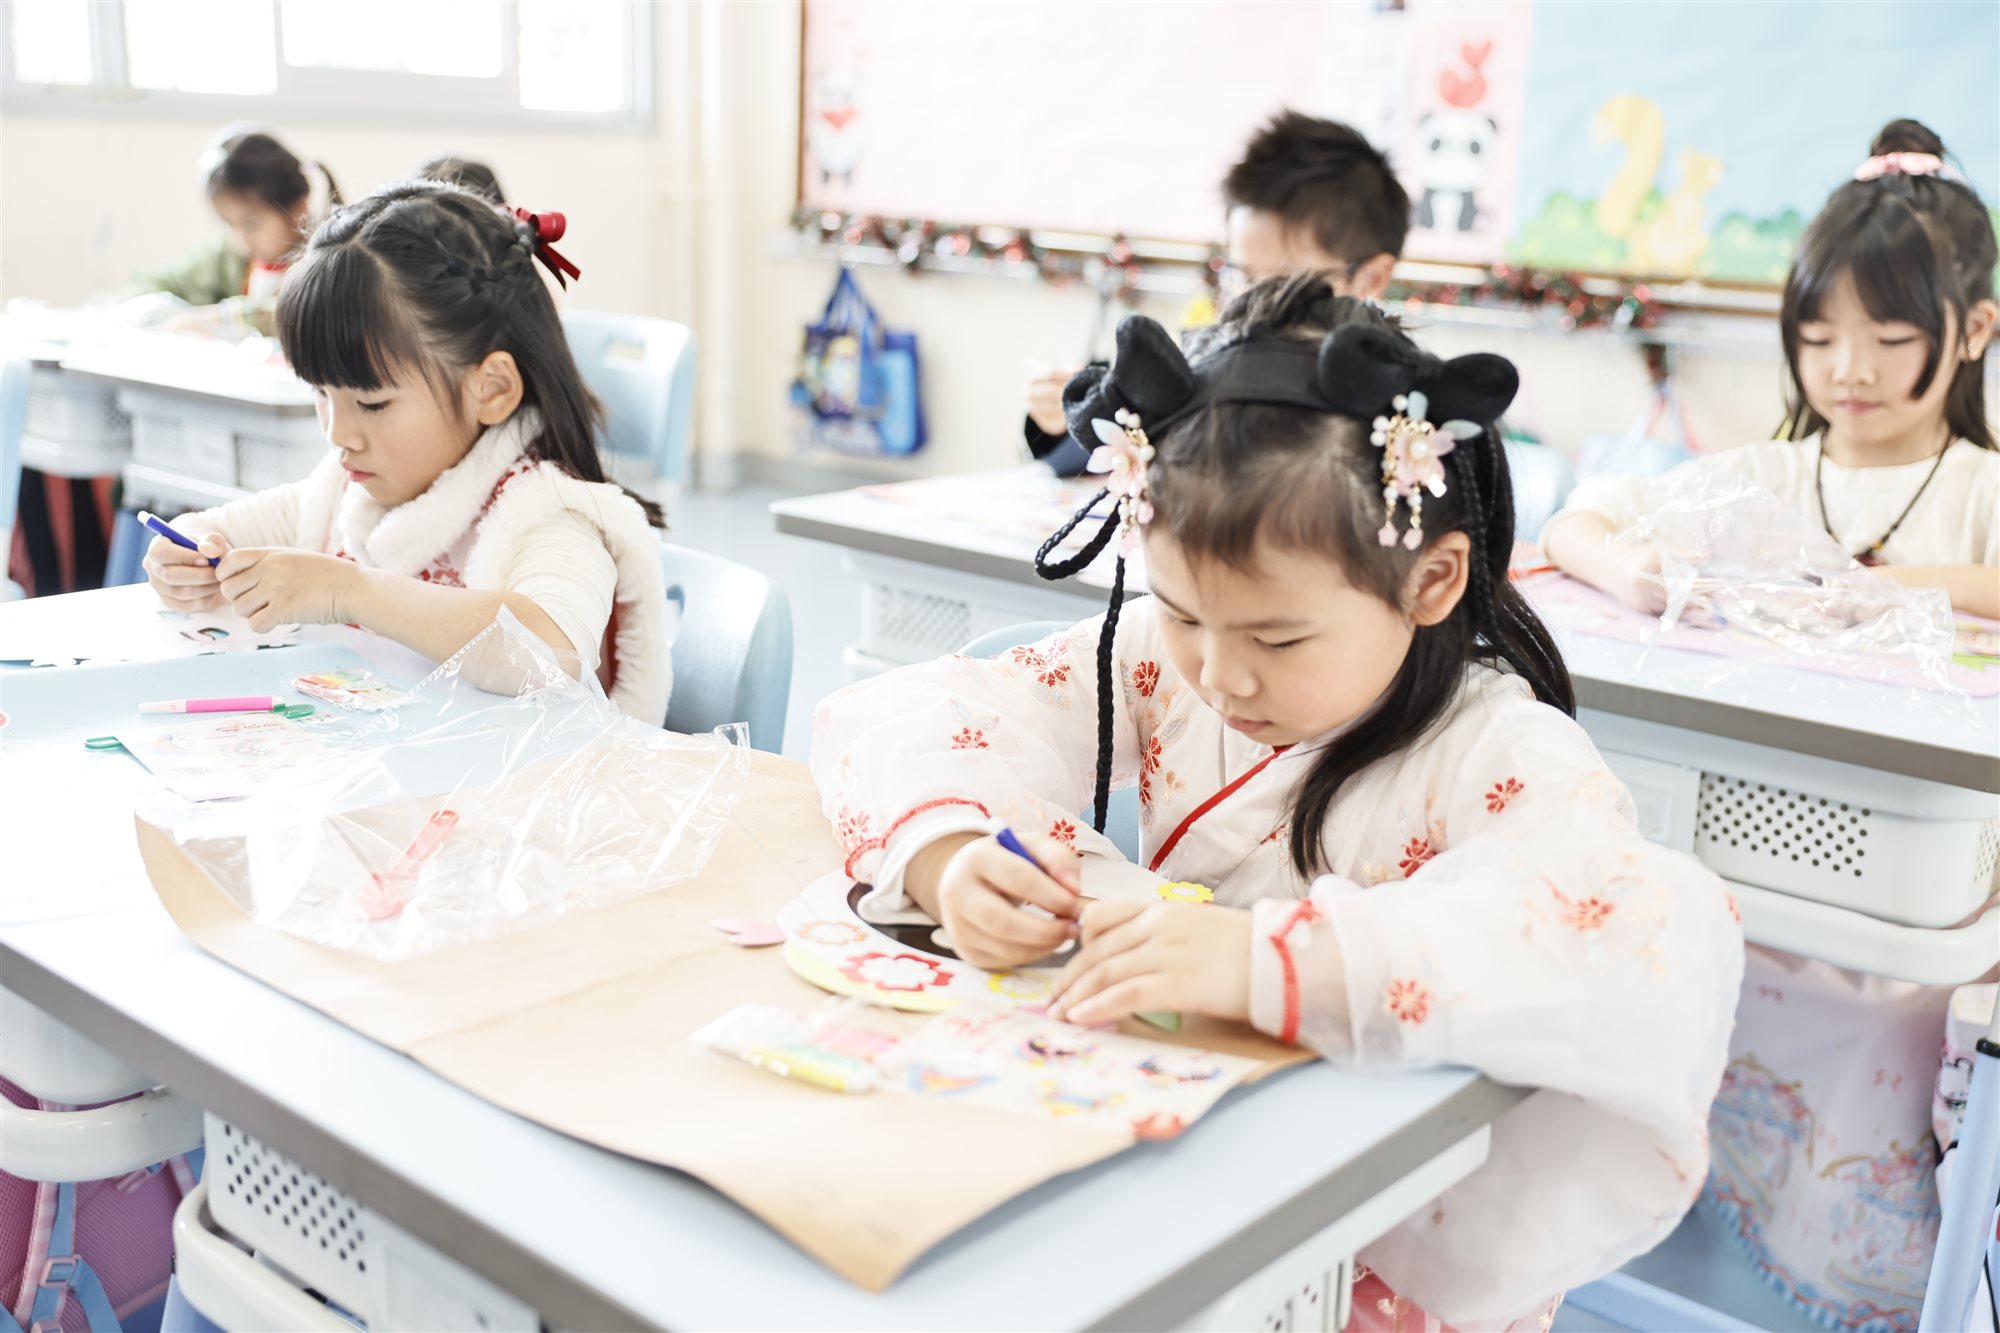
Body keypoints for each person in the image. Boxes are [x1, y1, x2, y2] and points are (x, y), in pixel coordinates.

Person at [814, 276, 1742, 1329]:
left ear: (1431, 581)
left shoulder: (1496, 746)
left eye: (1278, 637)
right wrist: (953, 852)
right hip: (1176, 1157)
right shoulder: (1164, 659)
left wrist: (1274, 964)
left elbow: (1635, 935)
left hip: (1366, 1240)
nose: (1220, 675)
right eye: (1180, 613)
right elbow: (927, 709)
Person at [144, 182, 673, 723]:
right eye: (321, 394)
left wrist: (350, 591)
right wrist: (187, 554)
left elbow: (550, 654)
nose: (339, 434)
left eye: (372, 403)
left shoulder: (547, 512)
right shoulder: (346, 493)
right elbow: (223, 530)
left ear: (491, 389)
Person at [1025, 112, 1411, 475]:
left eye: (1285, 283)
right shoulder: (1222, 362)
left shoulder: (1403, 400)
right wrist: (1072, 417)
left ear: (1372, 278)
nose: (1256, 304)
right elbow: (1115, 450)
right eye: (1244, 277)